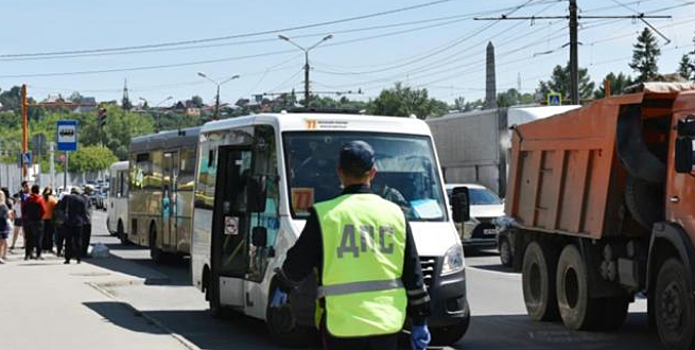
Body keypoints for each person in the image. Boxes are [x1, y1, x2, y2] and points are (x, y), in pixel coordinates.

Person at [271, 141, 431, 350]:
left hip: (341, 325)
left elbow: (298, 262)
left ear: (340, 172)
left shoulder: (325, 215)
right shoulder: (395, 214)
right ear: (373, 172)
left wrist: (283, 287)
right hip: (386, 323)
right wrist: (420, 320)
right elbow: (413, 273)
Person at [58, 187, 87, 264]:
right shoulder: (82, 199)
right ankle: (78, 258)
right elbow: (84, 211)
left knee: (68, 241)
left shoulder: (66, 198)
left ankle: (68, 258)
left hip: (68, 222)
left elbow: (61, 208)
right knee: (78, 240)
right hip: (78, 222)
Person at [23, 185, 46, 260]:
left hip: (29, 221)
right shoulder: (40, 199)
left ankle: (27, 255)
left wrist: (26, 216)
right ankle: (38, 255)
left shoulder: (27, 198)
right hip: (38, 221)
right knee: (38, 238)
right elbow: (44, 210)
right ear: (38, 190)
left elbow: (23, 208)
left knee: (29, 238)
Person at [9, 181, 29, 251]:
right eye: (26, 186)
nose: (28, 187)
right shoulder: (19, 194)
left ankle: (25, 245)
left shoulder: (29, 194)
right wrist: (13, 213)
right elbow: (14, 204)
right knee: (16, 231)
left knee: (25, 232)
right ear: (23, 186)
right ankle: (13, 245)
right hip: (18, 215)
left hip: (26, 216)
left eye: (28, 186)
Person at [41, 186, 57, 252]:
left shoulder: (41, 199)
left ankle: (43, 247)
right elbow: (56, 207)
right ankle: (49, 247)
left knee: (43, 234)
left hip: (42, 218)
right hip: (50, 218)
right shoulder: (53, 199)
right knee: (50, 234)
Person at [80, 185, 94, 258]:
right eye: (91, 191)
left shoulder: (82, 196)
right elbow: (85, 209)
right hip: (86, 221)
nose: (92, 192)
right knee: (85, 238)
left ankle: (81, 252)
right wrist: (87, 219)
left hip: (82, 220)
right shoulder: (86, 198)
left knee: (81, 238)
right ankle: (83, 253)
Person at [0, 191, 10, 263]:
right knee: (2, 242)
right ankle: (2, 256)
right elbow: (7, 215)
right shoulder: (3, 205)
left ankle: (3, 255)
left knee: (3, 241)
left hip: (3, 224)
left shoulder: (3, 205)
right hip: (2, 224)